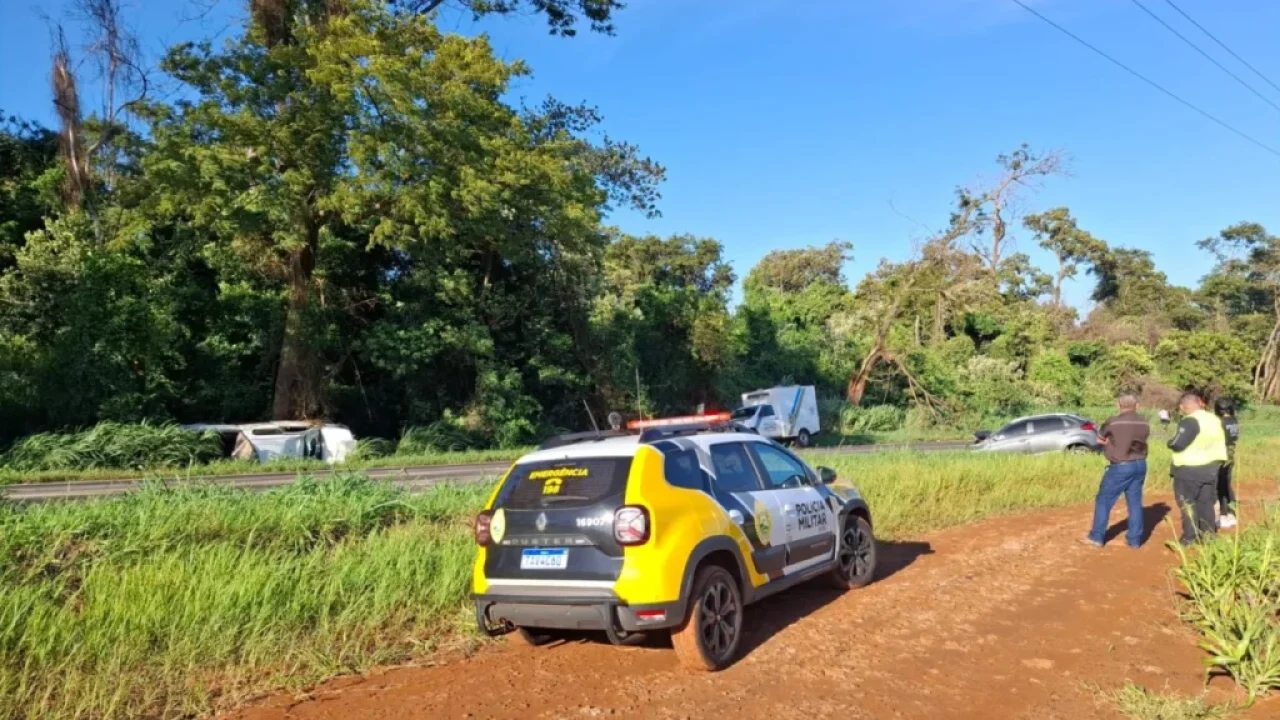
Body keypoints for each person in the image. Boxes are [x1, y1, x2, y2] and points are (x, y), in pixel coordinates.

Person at [1080, 394, 1150, 548]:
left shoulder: (1113, 422)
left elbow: (1100, 439)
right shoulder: (1144, 422)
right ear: (1137, 406)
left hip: (1120, 466)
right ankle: (1134, 540)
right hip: (1140, 464)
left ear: (1118, 405)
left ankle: (1096, 537)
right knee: (1135, 502)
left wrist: (1109, 442)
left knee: (1104, 500)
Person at [1168, 392, 1229, 545]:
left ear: (1182, 407)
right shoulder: (1213, 418)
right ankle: (1208, 535)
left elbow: (1177, 443)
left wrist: (1169, 442)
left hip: (1190, 468)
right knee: (1205, 502)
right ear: (1200, 403)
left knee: (1188, 503)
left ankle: (1190, 537)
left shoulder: (1190, 420)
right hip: (1211, 467)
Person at [1214, 398, 1240, 529]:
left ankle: (1223, 515)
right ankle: (1231, 514)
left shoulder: (1220, 422)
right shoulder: (1233, 420)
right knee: (1227, 485)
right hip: (1230, 457)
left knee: (1220, 487)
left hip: (1221, 457)